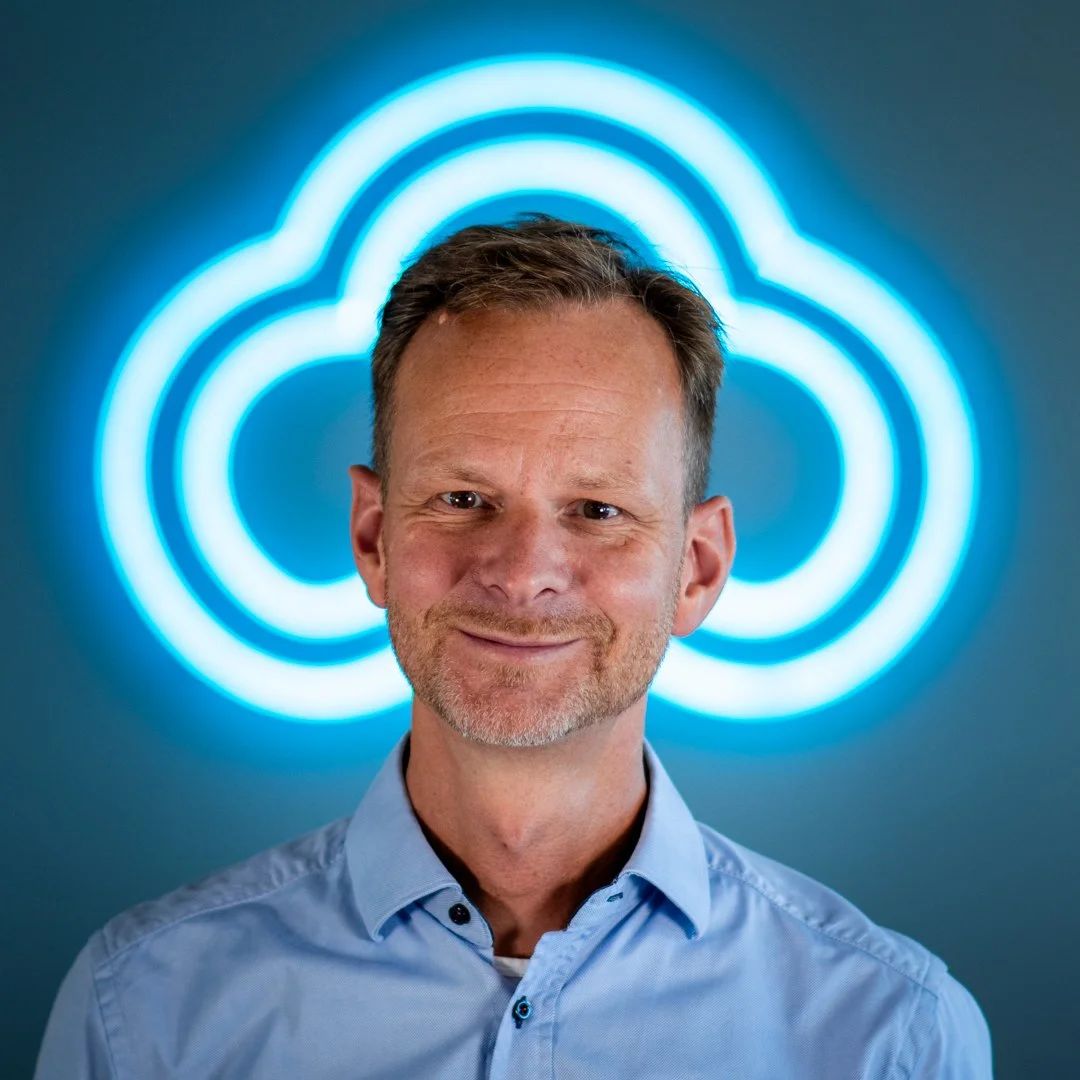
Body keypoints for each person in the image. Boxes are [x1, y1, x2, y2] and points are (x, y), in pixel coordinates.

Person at [36, 216, 992, 1078]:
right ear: (373, 538)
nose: (523, 570)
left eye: (597, 510)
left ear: (696, 568)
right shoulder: (145, 1011)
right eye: (463, 499)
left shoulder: (891, 1036)